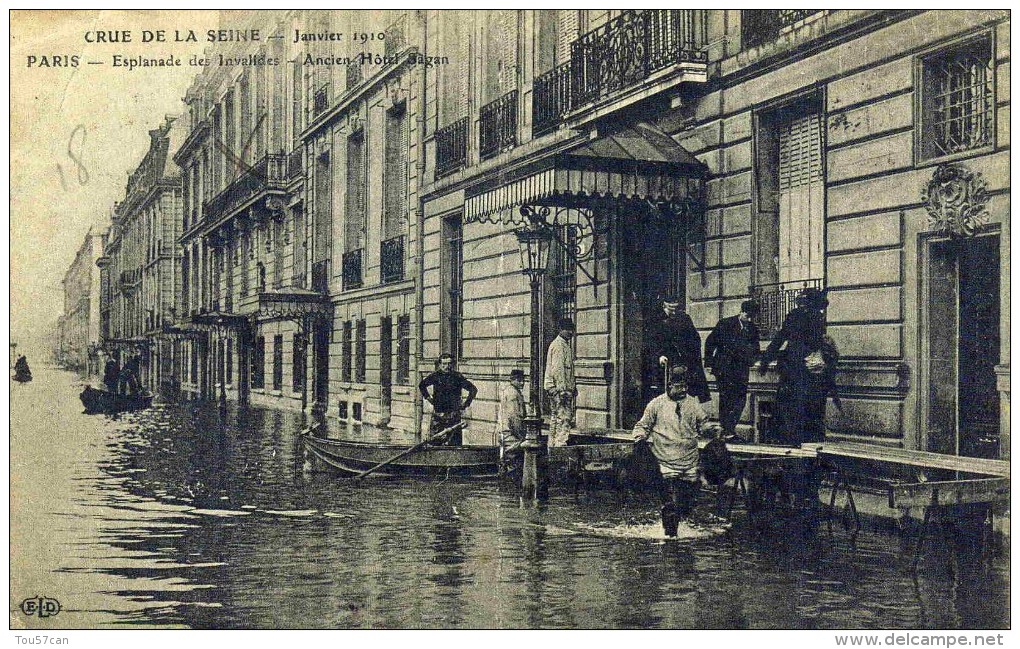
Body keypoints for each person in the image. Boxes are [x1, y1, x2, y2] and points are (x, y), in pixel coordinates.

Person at [633, 366, 721, 537]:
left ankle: (679, 526)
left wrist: (712, 430)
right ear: (669, 385)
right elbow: (642, 425)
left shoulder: (692, 403)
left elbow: (702, 423)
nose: (682, 390)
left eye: (685, 386)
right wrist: (639, 438)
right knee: (670, 504)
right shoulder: (656, 404)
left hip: (689, 460)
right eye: (678, 386)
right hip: (665, 460)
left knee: (686, 503)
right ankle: (669, 535)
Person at [757, 287, 830, 445]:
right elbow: (817, 342)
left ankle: (790, 439)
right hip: (807, 367)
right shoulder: (816, 317)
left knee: (790, 405)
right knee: (807, 406)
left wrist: (765, 360)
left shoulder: (795, 316)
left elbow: (779, 338)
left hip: (793, 365)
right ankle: (804, 440)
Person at [705, 299, 761, 443]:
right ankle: (727, 431)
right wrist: (709, 363)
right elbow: (710, 342)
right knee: (727, 399)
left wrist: (754, 359)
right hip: (724, 369)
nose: (749, 319)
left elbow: (756, 349)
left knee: (740, 400)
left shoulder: (753, 329)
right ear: (741, 312)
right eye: (747, 316)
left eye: (752, 317)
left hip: (741, 369)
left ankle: (730, 429)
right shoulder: (726, 324)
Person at [643, 297, 710, 404]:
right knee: (666, 395)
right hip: (665, 363)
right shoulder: (655, 320)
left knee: (686, 393)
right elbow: (651, 343)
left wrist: (688, 350)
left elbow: (695, 338)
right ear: (664, 306)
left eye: (676, 309)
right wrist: (659, 356)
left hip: (684, 361)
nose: (674, 312)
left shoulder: (684, 318)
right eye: (671, 309)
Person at [418, 353, 477, 445]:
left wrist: (465, 404)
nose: (447, 366)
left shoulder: (457, 377)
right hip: (438, 415)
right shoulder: (435, 376)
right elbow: (422, 385)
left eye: (449, 364)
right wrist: (428, 398)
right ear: (440, 364)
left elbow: (473, 389)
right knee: (435, 442)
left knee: (454, 443)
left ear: (452, 364)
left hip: (454, 415)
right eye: (444, 364)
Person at [544, 318, 576, 447]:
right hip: (559, 390)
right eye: (567, 329)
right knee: (564, 418)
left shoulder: (562, 345)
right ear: (560, 330)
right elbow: (558, 369)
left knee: (555, 418)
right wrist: (562, 390)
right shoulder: (559, 346)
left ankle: (552, 445)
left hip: (556, 388)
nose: (570, 332)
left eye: (571, 330)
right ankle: (559, 446)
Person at [496, 369, 527, 474]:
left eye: (523, 380)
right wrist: (521, 436)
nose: (522, 383)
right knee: (514, 465)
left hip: (504, 432)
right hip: (510, 434)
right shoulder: (513, 394)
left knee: (506, 463)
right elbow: (514, 417)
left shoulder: (508, 390)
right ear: (512, 380)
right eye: (519, 380)